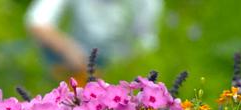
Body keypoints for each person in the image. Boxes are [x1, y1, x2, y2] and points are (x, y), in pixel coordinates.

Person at [25, 0, 163, 82]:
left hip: (121, 65)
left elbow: (146, 44)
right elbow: (37, 22)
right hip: (76, 59)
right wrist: (69, 50)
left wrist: (122, 71)